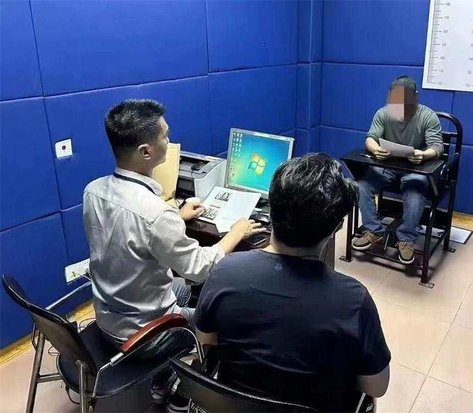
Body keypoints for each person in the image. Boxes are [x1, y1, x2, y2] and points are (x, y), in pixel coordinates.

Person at [83, 99, 264, 412]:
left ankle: (163, 376)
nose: (169, 140)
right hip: (144, 332)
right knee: (223, 320)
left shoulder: (93, 191)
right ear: (146, 151)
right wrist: (236, 232)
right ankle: (183, 392)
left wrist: (176, 217)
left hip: (108, 317)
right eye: (165, 136)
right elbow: (200, 268)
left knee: (181, 288)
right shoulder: (154, 213)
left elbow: (127, 233)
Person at [194, 153, 391, 412]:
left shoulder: (225, 270)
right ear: (336, 228)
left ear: (272, 210)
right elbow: (376, 386)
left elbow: (206, 339)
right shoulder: (354, 300)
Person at [352, 75, 444, 264]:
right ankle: (373, 230)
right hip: (387, 166)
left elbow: (437, 147)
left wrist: (423, 154)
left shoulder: (427, 116)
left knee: (415, 194)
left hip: (416, 168)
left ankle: (406, 239)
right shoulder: (383, 113)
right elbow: (370, 137)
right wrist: (375, 149)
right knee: (362, 185)